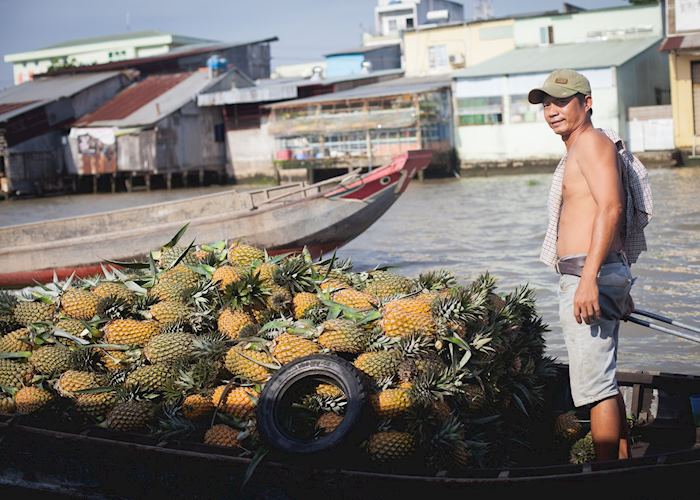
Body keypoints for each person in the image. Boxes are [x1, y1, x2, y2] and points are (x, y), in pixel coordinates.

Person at [528, 69, 637, 461]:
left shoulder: (591, 144)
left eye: (561, 101)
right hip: (594, 272)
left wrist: (591, 280)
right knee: (602, 381)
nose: (552, 111)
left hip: (587, 274)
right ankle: (623, 468)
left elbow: (612, 208)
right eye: (546, 104)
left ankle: (608, 478)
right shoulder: (580, 147)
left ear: (586, 103)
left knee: (595, 388)